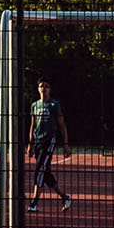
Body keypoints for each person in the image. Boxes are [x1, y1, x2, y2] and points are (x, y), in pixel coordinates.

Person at [27, 78, 72, 212]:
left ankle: (34, 202)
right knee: (45, 173)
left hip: (49, 140)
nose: (44, 88)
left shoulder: (53, 105)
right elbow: (32, 125)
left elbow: (62, 124)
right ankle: (65, 197)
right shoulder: (35, 105)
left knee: (39, 170)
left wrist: (65, 144)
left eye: (46, 86)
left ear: (49, 89)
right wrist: (30, 144)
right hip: (38, 141)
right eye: (41, 86)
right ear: (38, 89)